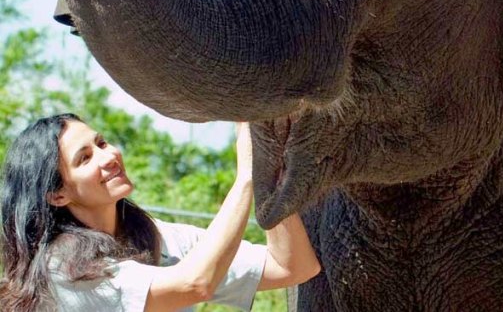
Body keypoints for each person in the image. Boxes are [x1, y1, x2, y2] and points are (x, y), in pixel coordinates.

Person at [0, 113, 320, 312]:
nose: (108, 155)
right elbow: (195, 283)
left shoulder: (162, 238)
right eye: (84, 158)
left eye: (102, 142)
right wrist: (247, 177)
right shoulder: (64, 270)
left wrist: (271, 173)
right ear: (57, 194)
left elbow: (291, 267)